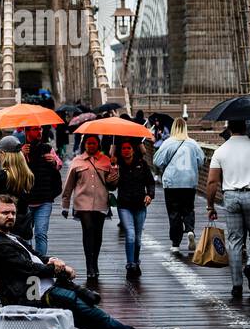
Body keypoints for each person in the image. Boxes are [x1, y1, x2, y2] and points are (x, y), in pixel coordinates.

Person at [0, 193, 180, 329]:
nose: (11, 217)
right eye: (5, 213)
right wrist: (58, 270)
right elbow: (28, 268)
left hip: (43, 289)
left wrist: (51, 260)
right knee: (97, 319)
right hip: (34, 296)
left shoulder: (8, 236)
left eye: (13, 213)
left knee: (96, 319)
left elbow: (34, 255)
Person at [206, 118, 250, 301]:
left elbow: (212, 181)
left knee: (235, 240)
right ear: (246, 127)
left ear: (229, 129)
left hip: (230, 196)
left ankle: (236, 285)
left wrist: (210, 205)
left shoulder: (220, 150)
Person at [61, 133, 119, 286]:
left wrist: (114, 169)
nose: (91, 146)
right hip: (82, 203)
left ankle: (95, 262)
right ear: (84, 145)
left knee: (98, 233)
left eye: (93, 143)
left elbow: (113, 185)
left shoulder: (106, 161)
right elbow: (69, 184)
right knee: (88, 230)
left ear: (98, 145)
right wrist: (65, 205)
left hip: (100, 202)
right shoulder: (77, 161)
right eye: (88, 143)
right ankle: (89, 266)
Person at [153, 117, 205, 257]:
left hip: (172, 183)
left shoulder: (168, 143)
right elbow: (201, 161)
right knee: (188, 209)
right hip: (189, 182)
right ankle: (189, 230)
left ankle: (175, 244)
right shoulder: (193, 143)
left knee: (174, 212)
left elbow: (157, 161)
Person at [115, 139, 155, 279]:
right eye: (123, 148)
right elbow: (111, 185)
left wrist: (150, 195)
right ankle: (130, 264)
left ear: (133, 150)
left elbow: (150, 182)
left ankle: (136, 261)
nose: (126, 150)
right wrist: (113, 171)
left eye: (128, 148)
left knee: (137, 238)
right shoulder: (117, 165)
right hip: (124, 205)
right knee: (130, 234)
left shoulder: (142, 164)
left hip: (139, 205)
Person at [21, 125, 63, 258]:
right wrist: (21, 155)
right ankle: (28, 262)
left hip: (44, 200)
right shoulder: (19, 150)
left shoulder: (47, 148)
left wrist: (53, 161)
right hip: (25, 201)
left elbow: (59, 164)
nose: (39, 132)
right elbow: (10, 168)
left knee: (40, 233)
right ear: (26, 131)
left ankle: (40, 263)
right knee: (25, 235)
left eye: (40, 129)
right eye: (35, 129)